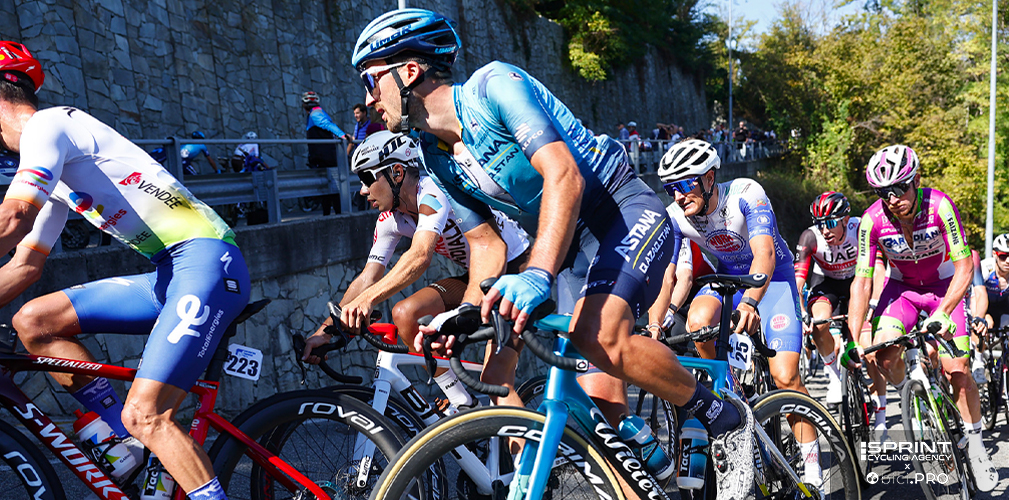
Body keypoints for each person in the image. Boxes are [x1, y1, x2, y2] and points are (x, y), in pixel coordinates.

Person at [352, 9, 756, 498]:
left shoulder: (492, 87)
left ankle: (724, 417)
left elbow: (564, 174)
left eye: (372, 81)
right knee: (517, 383)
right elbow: (486, 243)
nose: (368, 99)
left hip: (617, 210)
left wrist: (537, 274)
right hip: (565, 247)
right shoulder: (433, 155)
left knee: (600, 336)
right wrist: (465, 311)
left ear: (410, 71)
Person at [0, 41, 248, 500]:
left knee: (147, 414)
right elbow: (24, 265)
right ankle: (124, 440)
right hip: (170, 273)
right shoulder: (54, 164)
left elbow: (14, 217)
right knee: (34, 322)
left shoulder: (47, 126)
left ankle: (139, 433)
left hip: (206, 262)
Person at [301, 131, 531, 410]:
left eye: (367, 178)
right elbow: (368, 277)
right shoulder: (390, 220)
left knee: (495, 380)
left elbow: (420, 255)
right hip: (479, 277)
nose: (362, 190)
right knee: (405, 314)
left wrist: (368, 300)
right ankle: (461, 401)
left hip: (517, 270)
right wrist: (325, 330)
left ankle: (529, 438)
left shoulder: (433, 189)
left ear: (397, 172)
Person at [659, 138, 822, 489]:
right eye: (671, 188)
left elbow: (765, 254)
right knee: (698, 321)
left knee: (785, 377)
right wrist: (657, 322)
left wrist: (750, 302)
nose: (678, 196)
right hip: (729, 280)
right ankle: (733, 396)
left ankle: (813, 468)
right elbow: (672, 276)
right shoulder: (675, 216)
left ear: (709, 178)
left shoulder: (746, 193)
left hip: (773, 281)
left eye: (684, 185)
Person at [846, 144, 998, 491]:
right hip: (902, 291)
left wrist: (943, 311)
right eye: (883, 192)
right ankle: (914, 394)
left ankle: (976, 445)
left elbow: (964, 267)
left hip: (944, 286)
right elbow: (862, 281)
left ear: (915, 180)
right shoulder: (871, 221)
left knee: (957, 369)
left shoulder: (940, 206)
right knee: (882, 354)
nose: (892, 199)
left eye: (899, 188)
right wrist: (854, 338)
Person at [793, 192, 886, 427]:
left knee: (870, 352)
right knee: (819, 323)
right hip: (827, 284)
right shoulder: (810, 237)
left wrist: (874, 302)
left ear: (845, 219)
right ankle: (834, 376)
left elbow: (878, 269)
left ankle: (881, 419)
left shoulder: (860, 228)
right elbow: (798, 282)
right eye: (820, 224)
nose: (825, 230)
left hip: (858, 282)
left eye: (831, 223)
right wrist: (801, 312)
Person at [302, 91, 351, 215]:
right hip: (326, 156)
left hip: (324, 157)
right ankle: (332, 215)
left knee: (330, 188)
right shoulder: (318, 112)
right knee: (330, 189)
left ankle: (334, 215)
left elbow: (327, 125)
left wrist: (342, 135)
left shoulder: (315, 114)